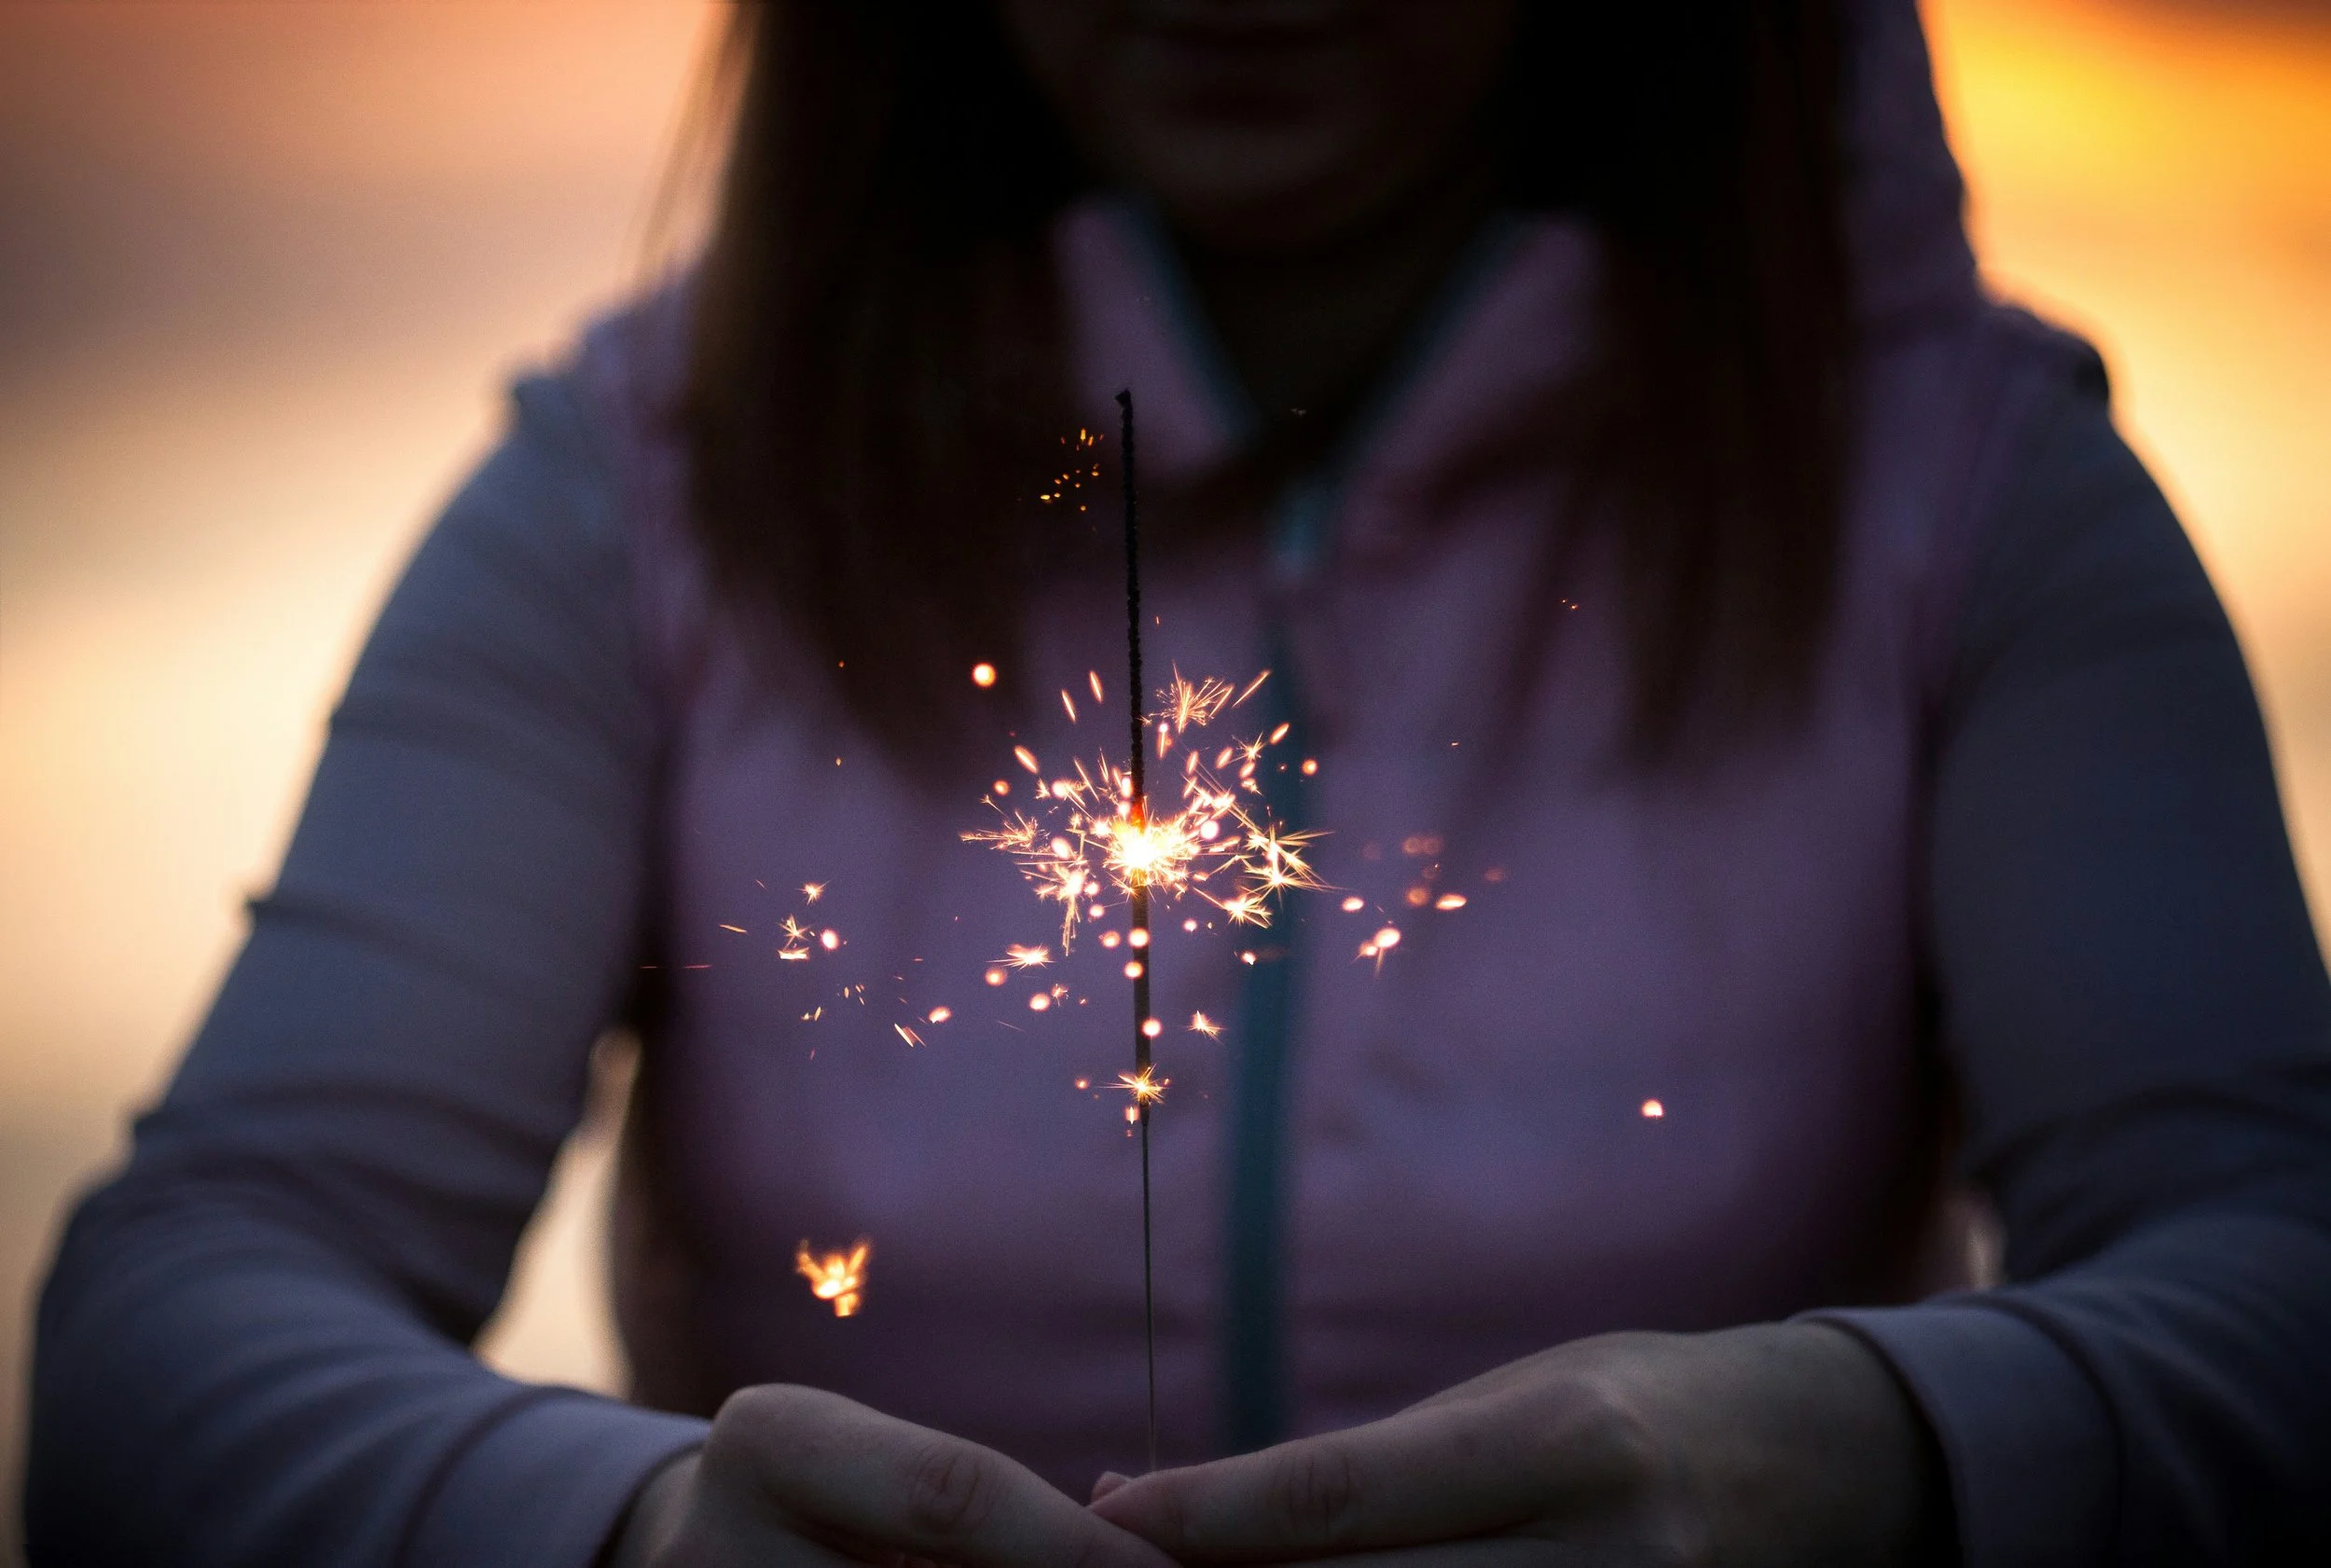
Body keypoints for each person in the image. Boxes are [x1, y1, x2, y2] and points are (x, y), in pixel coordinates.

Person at [26, 1, 2331, 1562]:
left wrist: (1879, 1459)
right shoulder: (641, 493)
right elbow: (182, 1315)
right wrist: (630, 1534)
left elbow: (2273, 1269)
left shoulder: (1964, 499)